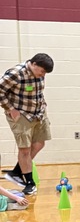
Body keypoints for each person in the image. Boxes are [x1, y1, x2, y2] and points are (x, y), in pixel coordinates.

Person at [1, 53, 54, 196]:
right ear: (34, 64)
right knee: (24, 149)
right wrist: (10, 109)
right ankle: (29, 183)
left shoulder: (40, 73)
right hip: (21, 114)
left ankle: (17, 171)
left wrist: (42, 106)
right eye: (42, 71)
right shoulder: (16, 73)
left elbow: (37, 92)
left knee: (39, 144)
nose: (43, 75)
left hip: (39, 113)